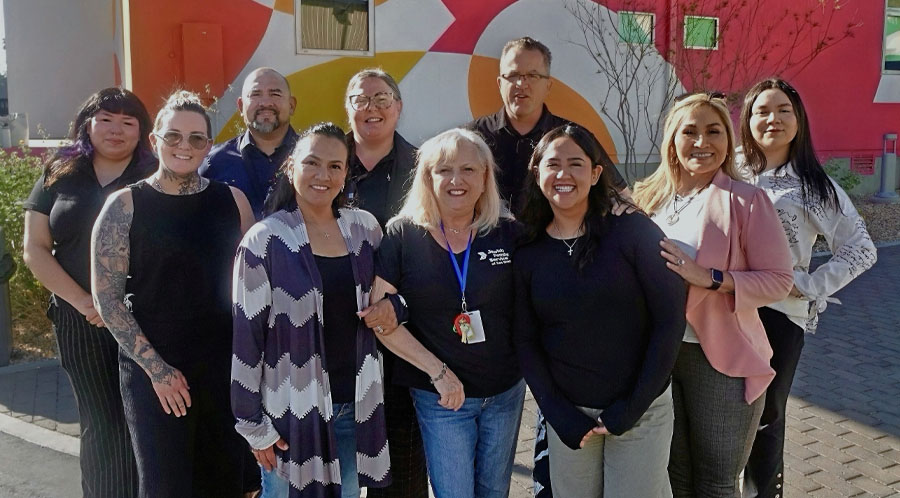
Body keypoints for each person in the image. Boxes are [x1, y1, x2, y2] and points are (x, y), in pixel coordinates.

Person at [91, 90, 255, 497]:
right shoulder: (123, 206)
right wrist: (158, 372)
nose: (185, 145)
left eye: (196, 138)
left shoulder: (232, 201)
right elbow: (107, 300)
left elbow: (253, 288)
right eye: (174, 136)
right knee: (165, 488)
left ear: (208, 145)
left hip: (224, 368)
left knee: (225, 485)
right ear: (155, 141)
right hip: (154, 370)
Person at [631, 93, 794, 498]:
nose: (702, 142)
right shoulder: (647, 198)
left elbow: (778, 280)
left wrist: (710, 278)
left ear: (728, 139)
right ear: (672, 139)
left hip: (720, 359)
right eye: (690, 131)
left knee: (717, 483)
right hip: (659, 354)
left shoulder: (746, 201)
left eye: (714, 131)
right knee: (676, 477)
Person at [514, 124, 686, 497]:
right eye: (553, 164)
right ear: (537, 173)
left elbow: (669, 321)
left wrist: (633, 406)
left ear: (595, 174)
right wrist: (556, 412)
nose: (563, 174)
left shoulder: (633, 232)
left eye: (576, 164)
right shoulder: (527, 249)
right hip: (571, 416)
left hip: (640, 412)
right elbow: (525, 340)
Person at [231, 122, 392, 498]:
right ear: (291, 166)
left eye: (335, 166)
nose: (323, 175)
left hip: (356, 405)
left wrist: (393, 308)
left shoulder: (365, 230)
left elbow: (396, 296)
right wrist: (252, 424)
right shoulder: (265, 240)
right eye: (312, 163)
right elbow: (246, 337)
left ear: (346, 173)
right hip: (290, 412)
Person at [738, 78, 877, 498]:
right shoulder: (731, 172)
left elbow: (861, 248)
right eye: (762, 111)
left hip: (778, 314)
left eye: (784, 110)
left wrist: (809, 285)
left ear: (798, 120)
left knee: (766, 415)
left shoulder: (813, 186)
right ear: (747, 120)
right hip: (721, 305)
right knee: (716, 411)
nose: (773, 119)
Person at [370, 128, 525, 498]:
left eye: (468, 169)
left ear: (485, 177)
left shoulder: (508, 233)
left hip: (504, 393)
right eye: (444, 170)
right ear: (428, 177)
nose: (457, 180)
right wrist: (438, 373)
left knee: (494, 492)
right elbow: (381, 321)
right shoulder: (403, 235)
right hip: (441, 397)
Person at [22, 87, 155, 498]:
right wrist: (84, 301)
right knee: (101, 420)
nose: (116, 129)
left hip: (144, 319)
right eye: (106, 119)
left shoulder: (155, 177)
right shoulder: (60, 172)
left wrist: (115, 305)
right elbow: (35, 249)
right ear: (87, 125)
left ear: (142, 131)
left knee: (144, 417)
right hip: (79, 319)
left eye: (127, 122)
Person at [343, 68, 428, 498]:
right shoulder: (321, 158)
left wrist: (401, 303)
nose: (371, 108)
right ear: (348, 109)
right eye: (360, 100)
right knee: (335, 463)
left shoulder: (423, 167)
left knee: (401, 463)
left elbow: (438, 248)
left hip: (403, 334)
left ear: (398, 107)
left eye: (381, 99)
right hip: (334, 334)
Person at [467, 36, 628, 214]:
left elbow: (623, 197)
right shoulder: (472, 138)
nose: (521, 84)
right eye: (513, 75)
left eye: (532, 76)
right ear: (500, 83)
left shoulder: (575, 138)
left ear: (548, 85)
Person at [201, 67, 298, 219]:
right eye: (255, 94)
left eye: (275, 94)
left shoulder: (316, 159)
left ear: (291, 105)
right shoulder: (213, 162)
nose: (265, 102)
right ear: (240, 106)